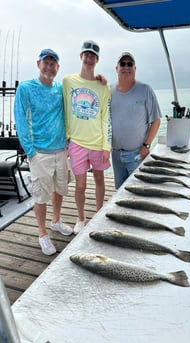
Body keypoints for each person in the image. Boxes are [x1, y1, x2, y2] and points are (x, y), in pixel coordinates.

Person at [14, 48, 73, 256]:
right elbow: (20, 119)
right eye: (45, 62)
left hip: (61, 150)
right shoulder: (26, 88)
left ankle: (56, 221)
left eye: (53, 63)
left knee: (59, 189)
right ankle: (42, 234)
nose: (49, 67)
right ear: (38, 64)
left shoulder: (59, 89)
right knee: (40, 195)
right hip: (38, 152)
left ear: (58, 67)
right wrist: (30, 151)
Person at [62, 40, 111, 234]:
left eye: (93, 56)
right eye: (87, 54)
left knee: (99, 179)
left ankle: (98, 215)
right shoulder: (67, 82)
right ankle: (80, 218)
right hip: (77, 143)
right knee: (80, 185)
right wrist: (65, 139)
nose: (89, 58)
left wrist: (107, 145)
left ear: (97, 60)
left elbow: (106, 117)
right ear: (81, 56)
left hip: (98, 144)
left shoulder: (103, 87)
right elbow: (63, 110)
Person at [110, 52, 161, 189]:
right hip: (115, 155)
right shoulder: (109, 91)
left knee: (139, 192)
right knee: (119, 193)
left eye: (130, 64)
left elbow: (156, 120)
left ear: (135, 69)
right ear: (117, 68)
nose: (126, 67)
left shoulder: (145, 89)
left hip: (137, 154)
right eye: (123, 64)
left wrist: (147, 145)